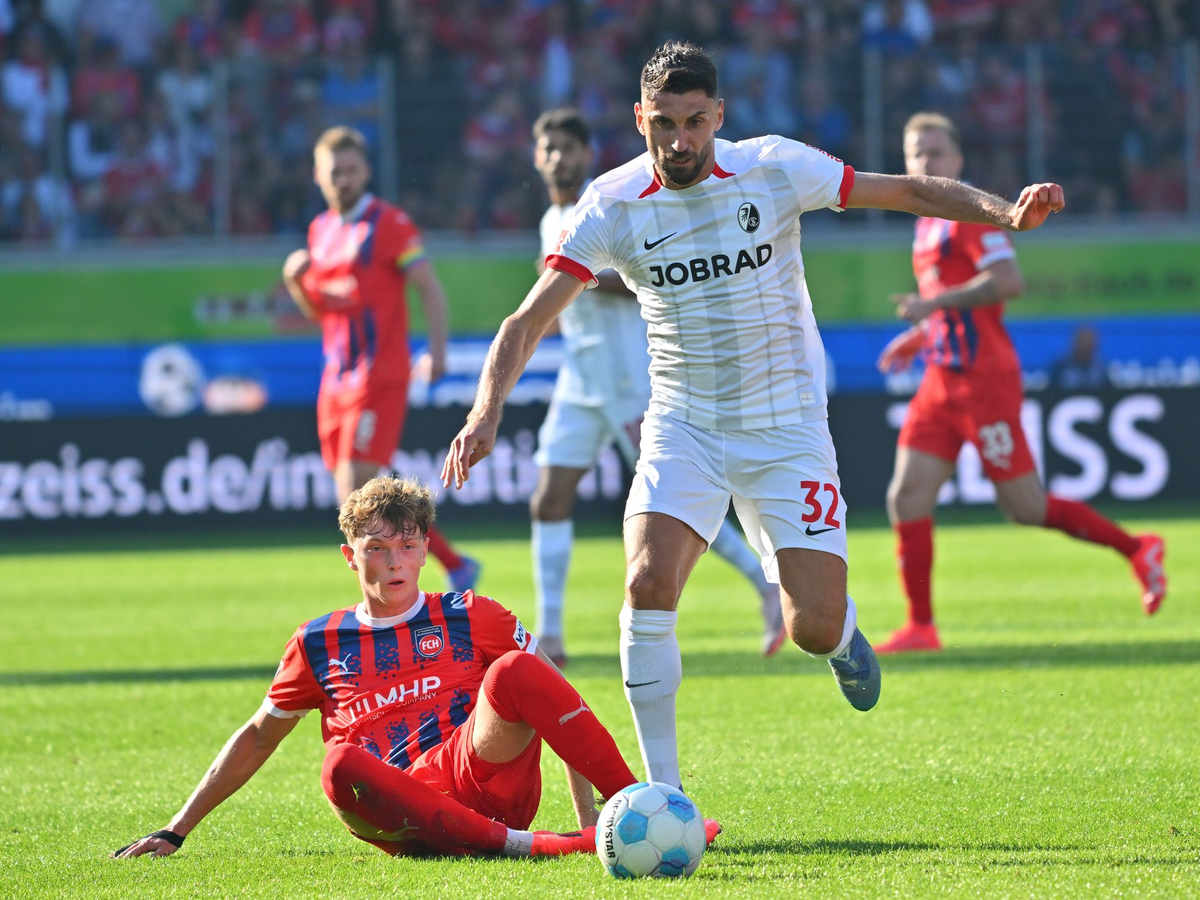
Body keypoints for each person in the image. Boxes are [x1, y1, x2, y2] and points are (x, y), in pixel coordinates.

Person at [442, 41, 1065, 789]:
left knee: (812, 626)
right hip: (683, 424)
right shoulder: (611, 203)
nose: (679, 141)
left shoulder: (773, 167)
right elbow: (525, 322)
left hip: (786, 425)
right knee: (645, 583)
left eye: (694, 122)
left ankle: (841, 637)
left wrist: (1005, 213)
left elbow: (906, 191)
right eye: (664, 124)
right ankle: (665, 795)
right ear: (640, 119)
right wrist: (485, 412)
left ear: (718, 115)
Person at [112, 475, 672, 860]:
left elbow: (557, 700)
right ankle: (531, 847)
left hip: (479, 775)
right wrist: (175, 830)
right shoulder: (317, 641)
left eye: (406, 545)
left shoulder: (472, 613)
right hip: (398, 813)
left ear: (426, 550)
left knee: (516, 671)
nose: (394, 561)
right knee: (337, 764)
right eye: (376, 548)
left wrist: (595, 822)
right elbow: (258, 737)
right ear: (350, 556)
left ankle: (648, 810)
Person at [874, 113, 1166, 654]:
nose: (926, 162)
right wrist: (922, 334)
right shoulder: (926, 223)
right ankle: (921, 627)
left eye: (936, 153)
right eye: (917, 154)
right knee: (907, 496)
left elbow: (1009, 282)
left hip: (984, 380)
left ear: (958, 160)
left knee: (1025, 507)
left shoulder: (968, 216)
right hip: (941, 379)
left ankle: (1138, 547)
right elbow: (949, 304)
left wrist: (934, 306)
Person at [528, 107, 786, 664]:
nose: (557, 158)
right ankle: (549, 635)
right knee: (548, 499)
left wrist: (583, 280)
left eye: (567, 148)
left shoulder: (610, 205)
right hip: (581, 378)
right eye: (548, 149)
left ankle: (765, 586)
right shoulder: (551, 220)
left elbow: (645, 276)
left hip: (629, 378)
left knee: (677, 501)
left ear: (586, 154)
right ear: (536, 158)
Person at [281, 126, 479, 593]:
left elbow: (429, 287)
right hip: (335, 379)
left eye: (352, 169)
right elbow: (322, 310)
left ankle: (387, 598)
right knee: (352, 498)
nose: (344, 179)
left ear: (366, 171)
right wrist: (296, 282)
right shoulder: (321, 229)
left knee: (357, 492)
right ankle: (455, 564)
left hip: (379, 374)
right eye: (335, 171)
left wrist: (437, 351)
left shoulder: (388, 224)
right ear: (318, 176)